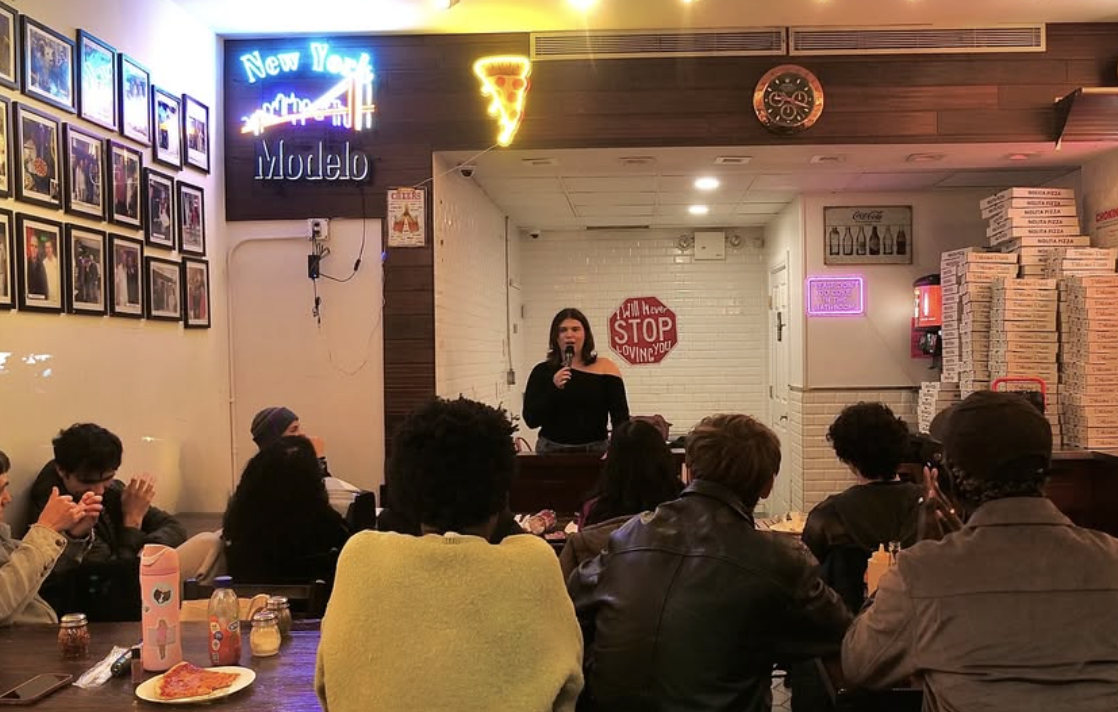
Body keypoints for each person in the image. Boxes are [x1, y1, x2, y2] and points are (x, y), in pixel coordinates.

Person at [843, 391, 1118, 711]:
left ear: (947, 482)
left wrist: (918, 552)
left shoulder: (921, 573)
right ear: (1045, 471)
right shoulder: (1112, 559)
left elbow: (859, 664)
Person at [315, 397, 583, 712]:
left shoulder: (359, 557)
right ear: (501, 488)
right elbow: (568, 689)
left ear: (405, 484)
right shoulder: (535, 562)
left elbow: (326, 687)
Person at [569, 413, 851, 711]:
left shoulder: (627, 535)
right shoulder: (778, 560)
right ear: (768, 485)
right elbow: (845, 636)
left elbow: (572, 604)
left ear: (689, 471)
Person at [28, 423, 187, 621]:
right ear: (61, 471)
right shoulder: (58, 507)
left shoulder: (110, 489)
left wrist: (144, 550)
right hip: (94, 604)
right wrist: (133, 523)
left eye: (107, 479)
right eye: (87, 482)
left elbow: (175, 528)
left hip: (128, 580)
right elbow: (108, 574)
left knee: (207, 542)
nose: (98, 491)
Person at [801, 402, 923, 612]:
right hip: (916, 621)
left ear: (847, 458)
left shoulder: (828, 515)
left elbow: (803, 575)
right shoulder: (927, 505)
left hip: (846, 625)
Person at [559, 419, 683, 580]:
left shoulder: (594, 507)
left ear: (612, 459)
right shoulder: (684, 505)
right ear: (663, 456)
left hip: (605, 596)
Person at [222, 436, 350, 586]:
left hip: (252, 605)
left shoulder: (237, 531)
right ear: (313, 483)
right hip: (318, 607)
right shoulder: (327, 526)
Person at [0, 450, 98, 626]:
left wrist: (74, 534)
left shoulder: (4, 541)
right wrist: (46, 529)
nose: (7, 498)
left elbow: (40, 576)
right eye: (0, 491)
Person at [523, 308, 629, 454]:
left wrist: (617, 449)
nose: (569, 335)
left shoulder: (606, 367)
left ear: (586, 335)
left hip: (596, 450)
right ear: (555, 337)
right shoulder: (542, 372)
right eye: (563, 330)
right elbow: (531, 420)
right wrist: (553, 389)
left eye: (575, 329)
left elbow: (620, 416)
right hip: (551, 450)